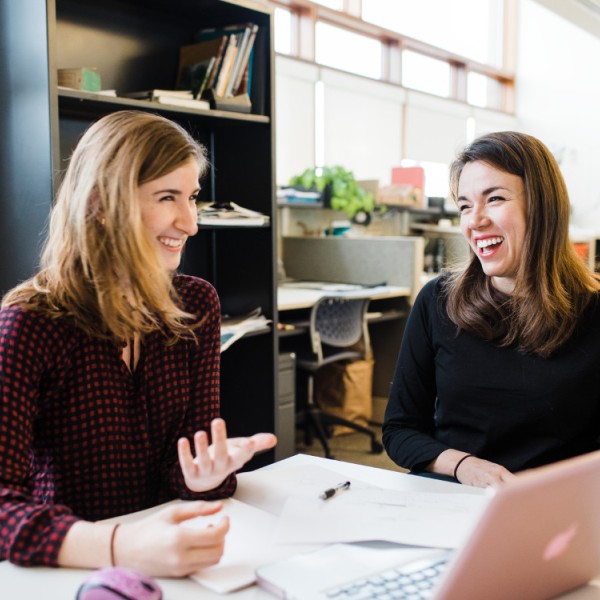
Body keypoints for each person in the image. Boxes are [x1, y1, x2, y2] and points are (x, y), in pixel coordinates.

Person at [0, 110, 276, 574]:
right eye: (167, 197)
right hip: (70, 566)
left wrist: (204, 476)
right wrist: (118, 547)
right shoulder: (29, 323)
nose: (190, 223)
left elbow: (182, 461)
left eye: (191, 197)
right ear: (101, 205)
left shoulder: (196, 305)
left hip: (169, 557)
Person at [383, 131, 600, 489]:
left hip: (552, 511)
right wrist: (463, 466)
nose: (475, 220)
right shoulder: (437, 301)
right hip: (453, 499)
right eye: (466, 205)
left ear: (542, 206)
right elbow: (400, 430)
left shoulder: (592, 312)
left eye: (494, 199)